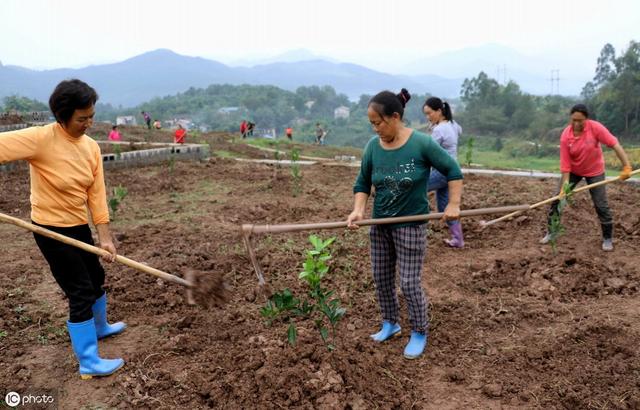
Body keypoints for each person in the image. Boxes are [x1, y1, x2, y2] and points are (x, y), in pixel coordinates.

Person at [0, 79, 125, 379]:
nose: (88, 123)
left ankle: (99, 327)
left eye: (91, 116)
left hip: (77, 225)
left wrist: (104, 238)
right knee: (79, 290)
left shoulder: (91, 148)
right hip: (50, 231)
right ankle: (88, 361)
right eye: (82, 119)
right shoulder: (41, 139)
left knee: (96, 277)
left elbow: (96, 195)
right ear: (62, 116)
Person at [347, 88, 463, 360]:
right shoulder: (373, 147)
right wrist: (358, 210)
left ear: (395, 117)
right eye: (371, 124)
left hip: (410, 224)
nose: (375, 129)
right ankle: (390, 322)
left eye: (378, 123)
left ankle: (419, 331)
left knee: (409, 283)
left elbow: (453, 171)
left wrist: (453, 204)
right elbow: (363, 183)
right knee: (381, 278)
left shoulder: (421, 143)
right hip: (380, 224)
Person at [540, 104, 632, 251]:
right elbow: (565, 164)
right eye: (574, 120)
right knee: (557, 199)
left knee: (601, 205)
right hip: (574, 171)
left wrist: (626, 166)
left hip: (595, 171)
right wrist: (565, 187)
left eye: (580, 120)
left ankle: (607, 238)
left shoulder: (595, 128)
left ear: (586, 119)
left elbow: (615, 144)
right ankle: (551, 232)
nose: (576, 124)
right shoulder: (566, 136)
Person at [423, 97, 464, 248]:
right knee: (445, 208)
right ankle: (458, 239)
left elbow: (428, 151)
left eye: (430, 113)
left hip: (442, 172)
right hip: (453, 171)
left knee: (417, 187)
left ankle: (423, 209)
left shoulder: (439, 130)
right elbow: (459, 130)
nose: (428, 117)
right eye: (426, 115)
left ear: (439, 111)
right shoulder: (453, 125)